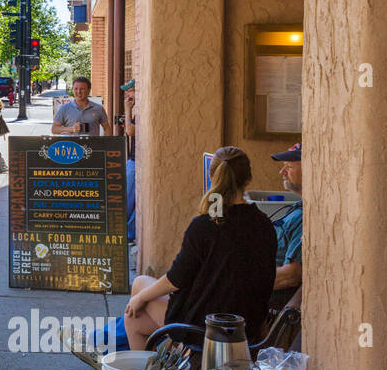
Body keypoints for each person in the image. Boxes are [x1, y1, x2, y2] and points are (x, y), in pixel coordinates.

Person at [122, 146, 277, 350]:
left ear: (212, 177)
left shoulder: (205, 225)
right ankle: (167, 357)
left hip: (204, 329)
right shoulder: (265, 224)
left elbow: (175, 279)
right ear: (248, 179)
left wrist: (140, 298)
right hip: (247, 327)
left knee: (138, 294)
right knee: (135, 315)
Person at [270, 142, 303, 297]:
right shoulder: (298, 207)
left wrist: (245, 281)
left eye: (289, 167)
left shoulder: (307, 216)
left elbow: (292, 275)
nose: (282, 171)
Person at [121, 79, 137, 242]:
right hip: (133, 160)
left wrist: (127, 110)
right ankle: (126, 232)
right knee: (128, 198)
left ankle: (126, 233)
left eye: (130, 90)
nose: (128, 94)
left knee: (127, 199)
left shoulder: (142, 111)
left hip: (136, 162)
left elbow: (130, 131)